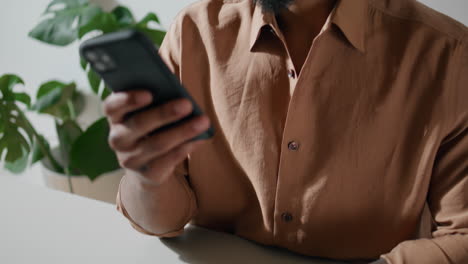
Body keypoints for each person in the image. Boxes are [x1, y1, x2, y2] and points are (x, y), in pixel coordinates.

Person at [103, 0, 467, 263]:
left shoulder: (449, 57)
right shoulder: (193, 33)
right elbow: (162, 224)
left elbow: (462, 238)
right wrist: (147, 180)